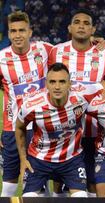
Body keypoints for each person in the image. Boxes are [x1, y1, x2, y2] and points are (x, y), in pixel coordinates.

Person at [48, 8, 105, 197]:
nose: (81, 26)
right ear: (69, 27)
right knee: (59, 182)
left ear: (93, 29)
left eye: (86, 23)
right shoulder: (56, 51)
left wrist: (101, 87)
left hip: (95, 129)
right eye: (77, 22)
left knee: (93, 182)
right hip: (63, 128)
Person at [15, 63, 103, 197]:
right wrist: (23, 159)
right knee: (28, 198)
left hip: (72, 160)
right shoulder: (31, 105)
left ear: (70, 84)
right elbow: (19, 128)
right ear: (46, 84)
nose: (57, 86)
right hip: (39, 160)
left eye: (62, 82)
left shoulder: (81, 95)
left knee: (81, 197)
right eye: (52, 82)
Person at [0, 10, 53, 197]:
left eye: (21, 30)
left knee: (41, 182)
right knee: (9, 182)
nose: (17, 35)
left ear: (30, 32)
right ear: (8, 34)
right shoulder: (1, 59)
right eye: (13, 31)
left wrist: (96, 41)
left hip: (41, 126)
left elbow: (72, 50)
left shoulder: (44, 49)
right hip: (12, 128)